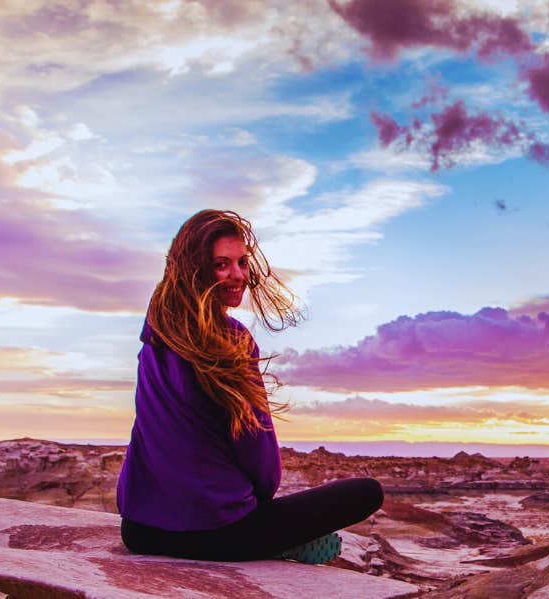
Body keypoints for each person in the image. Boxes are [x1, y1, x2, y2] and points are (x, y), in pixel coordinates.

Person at [117, 209, 383, 563]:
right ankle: (277, 543)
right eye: (221, 264)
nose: (238, 275)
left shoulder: (155, 336)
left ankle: (271, 540)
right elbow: (261, 461)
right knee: (367, 492)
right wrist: (260, 510)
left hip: (139, 530)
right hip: (219, 532)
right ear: (193, 268)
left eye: (242, 263)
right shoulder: (232, 340)